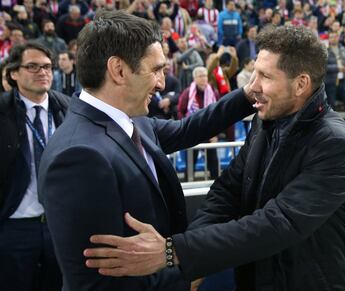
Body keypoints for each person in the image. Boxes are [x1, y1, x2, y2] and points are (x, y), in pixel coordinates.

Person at [84, 25, 345, 291]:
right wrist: (191, 263)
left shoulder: (334, 144)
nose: (253, 86)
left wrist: (175, 251)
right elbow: (227, 192)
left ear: (301, 84)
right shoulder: (266, 120)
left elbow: (277, 224)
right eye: (254, 74)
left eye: (265, 77)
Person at [38, 10, 255, 291]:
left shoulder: (130, 120)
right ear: (118, 70)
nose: (163, 83)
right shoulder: (79, 156)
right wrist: (185, 273)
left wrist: (248, 95)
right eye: (155, 70)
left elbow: (188, 129)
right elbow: (97, 284)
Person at [0, 42, 69, 291]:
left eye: (47, 67)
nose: (43, 72)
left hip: (59, 225)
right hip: (14, 227)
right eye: (32, 66)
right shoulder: (2, 111)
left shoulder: (68, 109)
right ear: (14, 72)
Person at [177, 66, 220, 179]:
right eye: (200, 76)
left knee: (213, 161)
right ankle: (188, 186)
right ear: (194, 78)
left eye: (205, 76)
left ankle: (216, 184)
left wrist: (216, 133)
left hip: (209, 132)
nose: (203, 79)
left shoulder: (213, 92)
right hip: (193, 131)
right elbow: (180, 111)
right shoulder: (188, 93)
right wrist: (187, 128)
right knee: (191, 162)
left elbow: (219, 114)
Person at [325, 30, 345, 121]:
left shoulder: (343, 49)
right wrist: (338, 68)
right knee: (331, 105)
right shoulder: (325, 50)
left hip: (343, 80)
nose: (333, 39)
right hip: (331, 81)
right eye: (331, 37)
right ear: (329, 39)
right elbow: (323, 66)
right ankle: (332, 124)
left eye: (335, 37)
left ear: (338, 38)